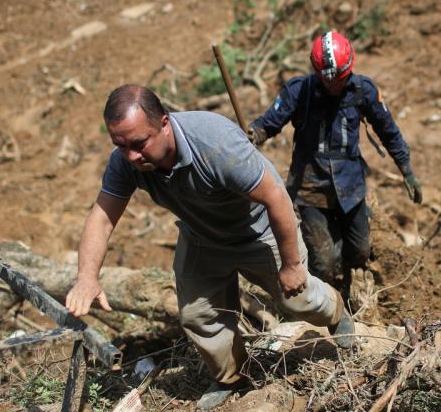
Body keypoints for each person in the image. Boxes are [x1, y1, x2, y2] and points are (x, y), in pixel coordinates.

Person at [65, 84, 354, 411]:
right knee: (199, 315)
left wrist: (290, 265)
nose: (131, 155)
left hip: (258, 230)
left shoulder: (215, 144)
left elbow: (276, 199)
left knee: (300, 300)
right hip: (202, 235)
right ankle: (233, 376)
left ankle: (336, 309)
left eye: (138, 144)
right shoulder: (126, 161)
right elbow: (102, 216)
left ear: (164, 123)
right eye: (120, 145)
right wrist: (87, 276)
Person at [247, 30, 422, 292]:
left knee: (360, 251)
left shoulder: (364, 91)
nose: (335, 86)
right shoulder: (299, 91)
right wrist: (253, 135)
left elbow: (388, 131)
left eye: (340, 79)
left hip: (350, 187)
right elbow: (268, 123)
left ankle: (352, 279)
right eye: (329, 81)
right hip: (309, 188)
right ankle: (330, 304)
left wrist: (406, 169)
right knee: (325, 263)